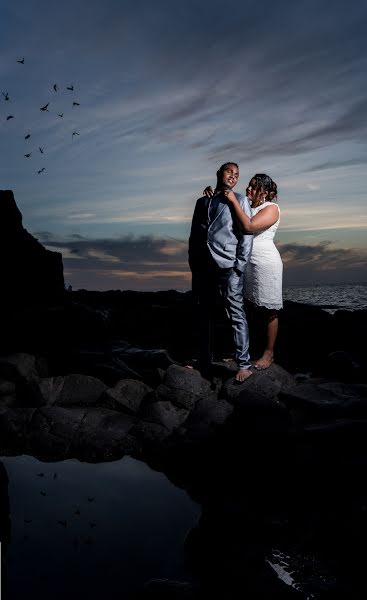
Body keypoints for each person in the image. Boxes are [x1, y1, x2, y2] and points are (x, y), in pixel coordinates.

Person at [204, 173, 282, 370]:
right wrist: (211, 194)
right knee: (245, 307)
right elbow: (226, 204)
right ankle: (244, 351)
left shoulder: (271, 208)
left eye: (254, 187)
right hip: (244, 261)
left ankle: (269, 353)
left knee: (269, 310)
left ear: (264, 192)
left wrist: (232, 200)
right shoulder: (246, 204)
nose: (249, 189)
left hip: (265, 263)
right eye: (249, 185)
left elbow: (248, 226)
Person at [188, 162, 253, 382]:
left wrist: (240, 265)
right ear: (219, 174)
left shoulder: (240, 200)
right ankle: (203, 359)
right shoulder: (202, 200)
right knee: (202, 314)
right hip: (203, 266)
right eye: (229, 172)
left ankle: (244, 364)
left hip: (228, 264)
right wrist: (193, 263)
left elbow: (246, 234)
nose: (233, 176)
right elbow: (194, 235)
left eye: (236, 174)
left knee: (236, 313)